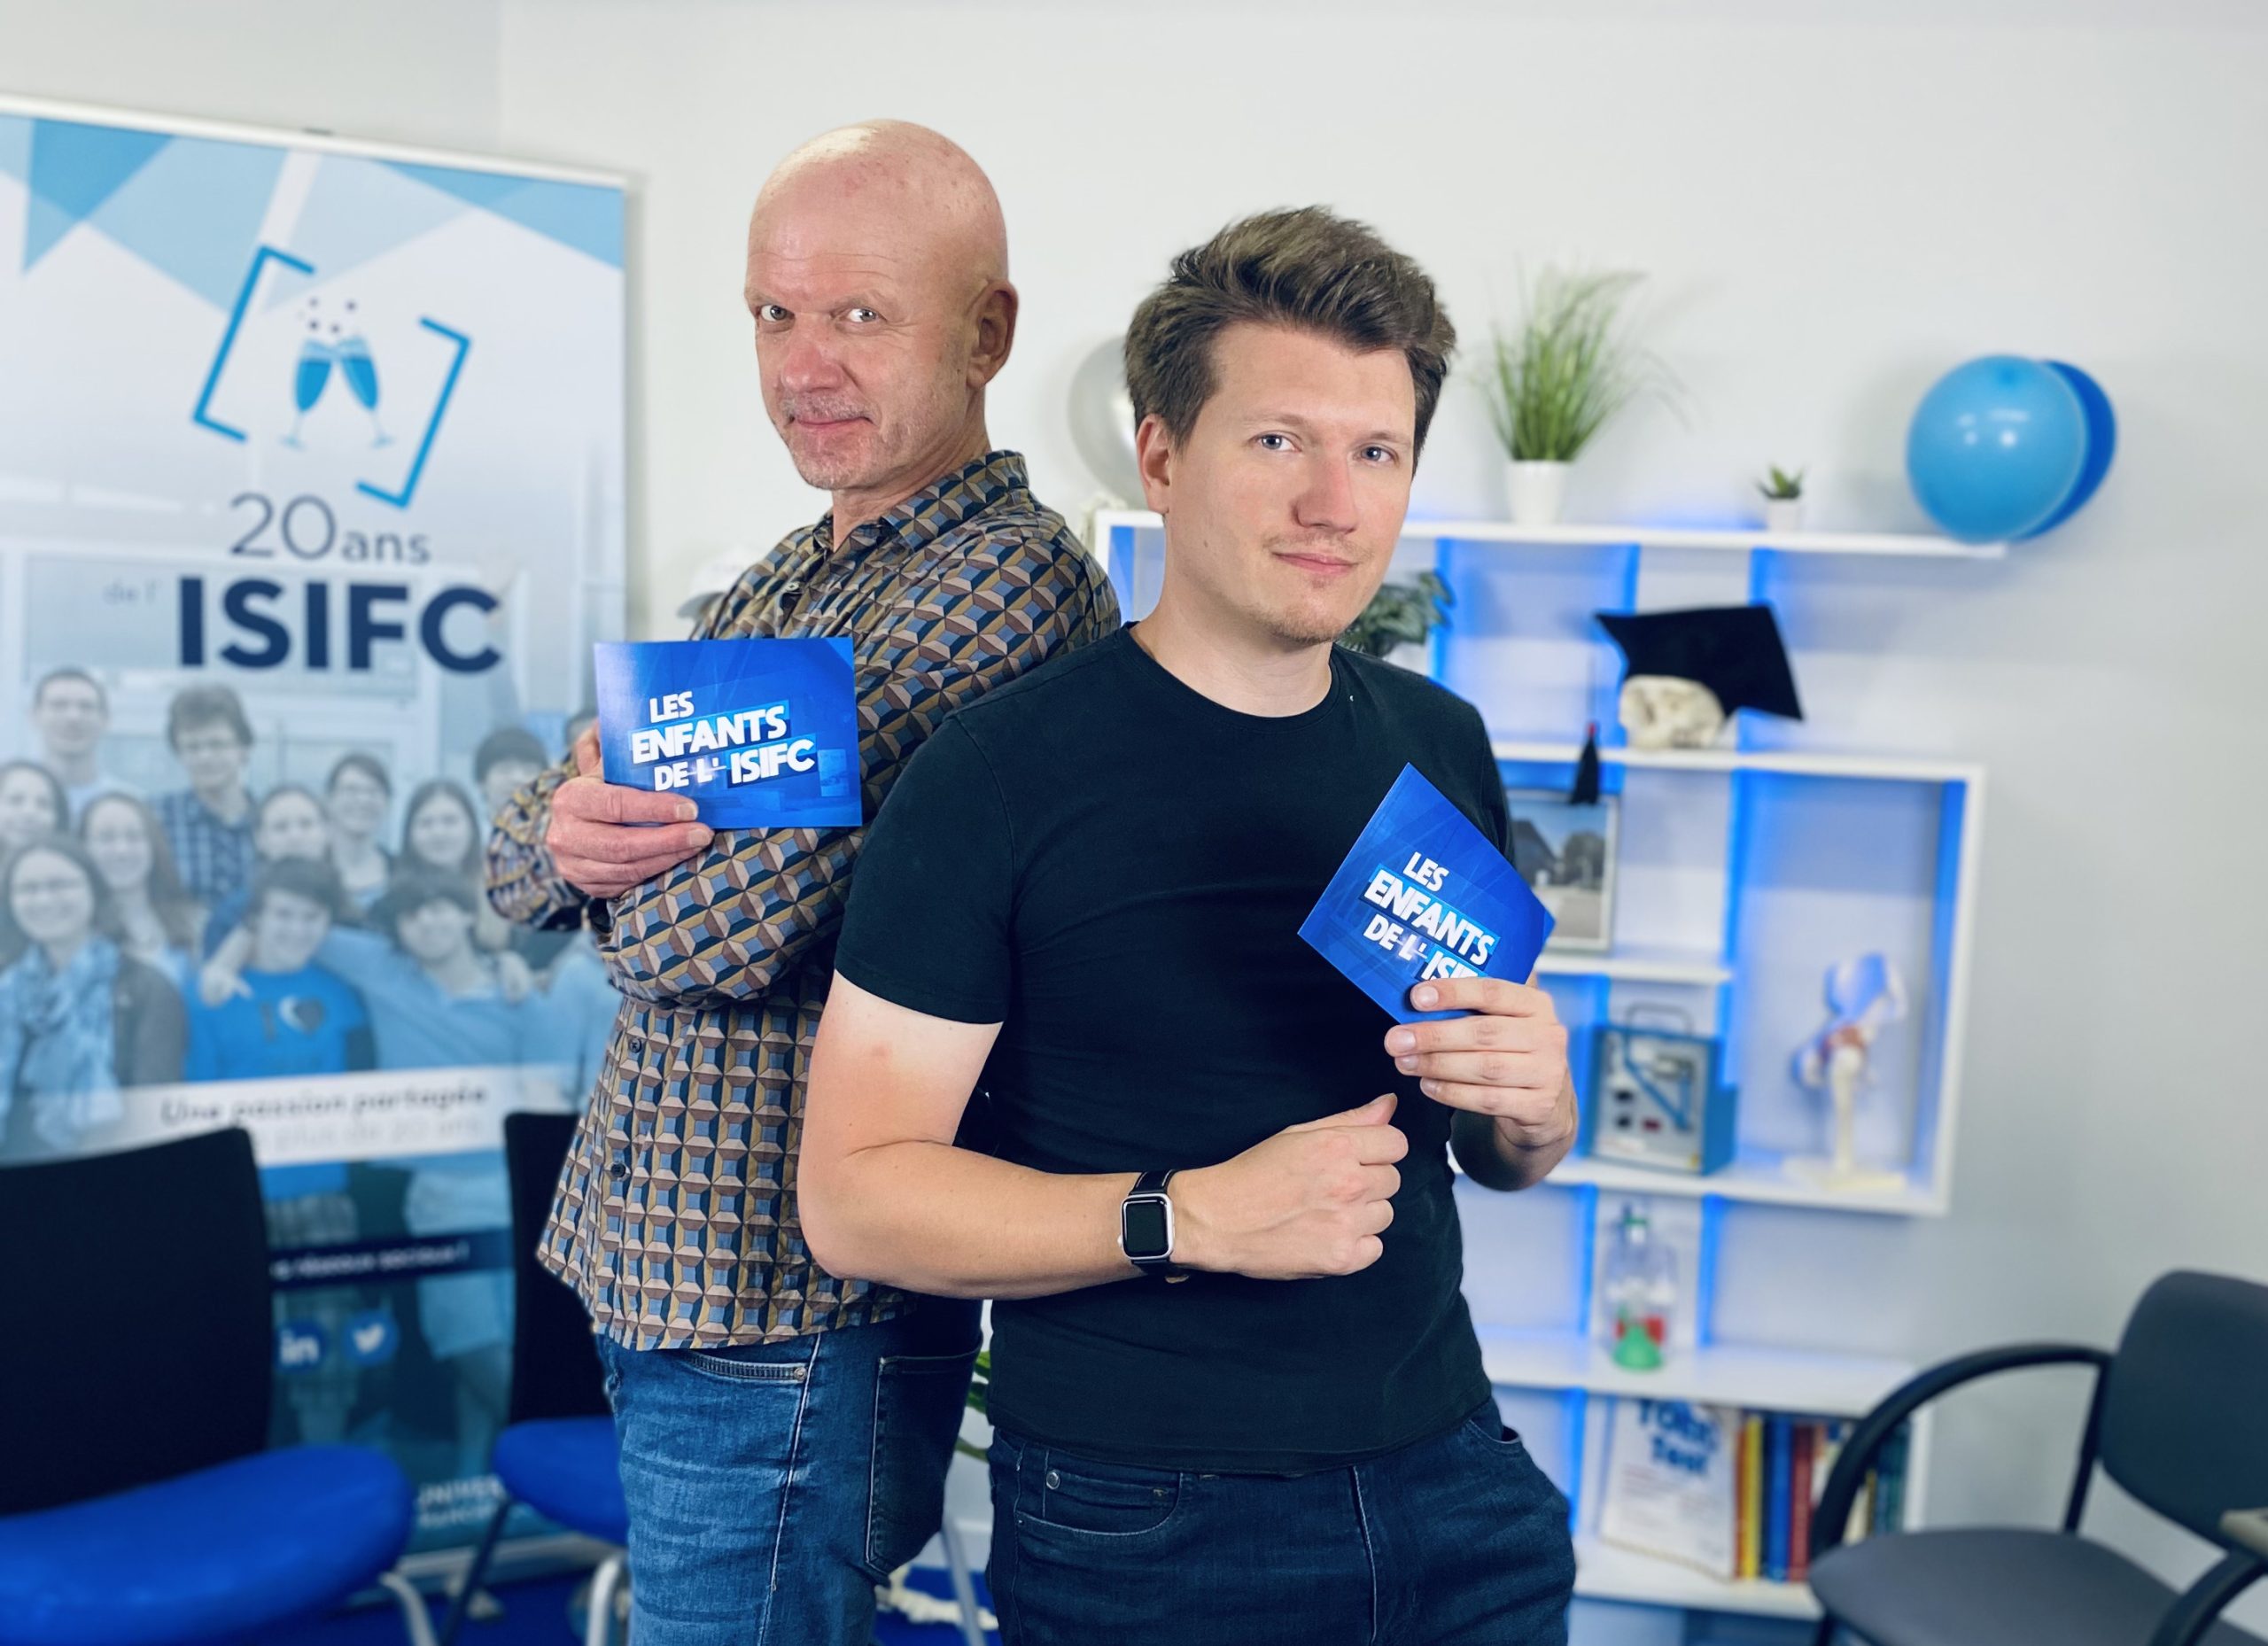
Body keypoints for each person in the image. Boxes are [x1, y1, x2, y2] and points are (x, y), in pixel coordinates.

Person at [799, 208, 1580, 1646]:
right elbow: (853, 1198)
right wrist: (1190, 1213)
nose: (1333, 501)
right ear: (1160, 455)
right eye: (1279, 440)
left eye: (1377, 451)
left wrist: (1536, 1108)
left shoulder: (1442, 743)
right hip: (1148, 1520)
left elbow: (1490, 1149)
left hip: (1461, 1486)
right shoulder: (994, 773)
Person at [485, 120, 1117, 1646]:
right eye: (774, 313)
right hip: (672, 1266)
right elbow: (515, 858)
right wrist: (570, 830)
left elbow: (709, 933)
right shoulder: (790, 571)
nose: (802, 364)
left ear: (987, 334)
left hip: (788, 1299)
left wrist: (593, 847)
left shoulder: (1001, 589)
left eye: (860, 314)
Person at [0, 835, 185, 1161]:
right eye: (27, 889)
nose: (44, 899)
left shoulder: (146, 988)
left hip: (111, 1173)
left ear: (94, 891)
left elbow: (153, 1113)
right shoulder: (6, 991)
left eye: (60, 885)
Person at [184, 858, 370, 1082]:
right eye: (283, 915)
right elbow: (197, 1088)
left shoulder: (342, 991)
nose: (297, 930)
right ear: (256, 919)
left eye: (311, 917)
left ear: (328, 923)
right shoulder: (211, 994)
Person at [199, 785, 342, 958]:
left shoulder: (347, 908)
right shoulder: (232, 915)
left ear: (327, 832)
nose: (295, 836)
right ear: (260, 839)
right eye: (281, 827)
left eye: (306, 824)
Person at [153, 683, 260, 911]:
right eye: (193, 747)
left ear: (244, 748)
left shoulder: (270, 821)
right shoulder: (156, 819)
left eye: (217, 744)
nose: (205, 757)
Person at [79, 793, 203, 987]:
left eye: (134, 837)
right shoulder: (73, 932)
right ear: (83, 847)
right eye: (106, 838)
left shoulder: (196, 924)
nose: (122, 850)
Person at [29, 668, 138, 819]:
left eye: (86, 707)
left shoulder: (132, 807)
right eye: (59, 705)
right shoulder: (5, 799)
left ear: (106, 720)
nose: (73, 717)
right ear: (34, 716)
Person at [325, 752, 394, 911]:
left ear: (387, 803)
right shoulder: (312, 869)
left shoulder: (401, 874)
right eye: (351, 790)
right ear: (329, 799)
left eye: (373, 791)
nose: (363, 800)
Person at [472, 726, 548, 822]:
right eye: (505, 769)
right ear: (482, 782)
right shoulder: (465, 829)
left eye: (529, 770)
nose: (517, 778)